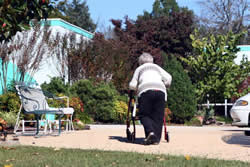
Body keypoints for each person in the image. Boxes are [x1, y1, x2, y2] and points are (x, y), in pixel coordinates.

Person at [129, 52, 172, 145]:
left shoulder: (139, 69)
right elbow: (169, 78)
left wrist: (134, 88)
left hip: (146, 91)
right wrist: (165, 85)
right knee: (158, 117)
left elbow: (132, 84)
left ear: (140, 62)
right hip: (160, 91)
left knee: (144, 115)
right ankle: (156, 140)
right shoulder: (157, 67)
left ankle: (150, 132)